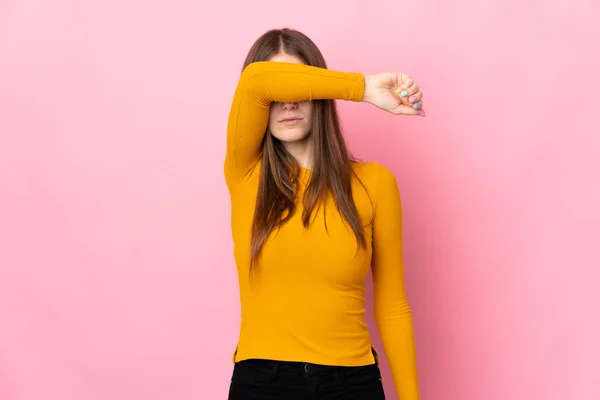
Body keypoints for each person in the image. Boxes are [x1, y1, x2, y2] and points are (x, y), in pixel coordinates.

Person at [224, 27, 424, 400]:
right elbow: (256, 81)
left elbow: (393, 305)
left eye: (301, 88)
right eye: (281, 91)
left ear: (319, 95)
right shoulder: (245, 173)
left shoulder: (375, 184)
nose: (288, 102)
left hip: (352, 383)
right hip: (262, 383)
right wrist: (363, 88)